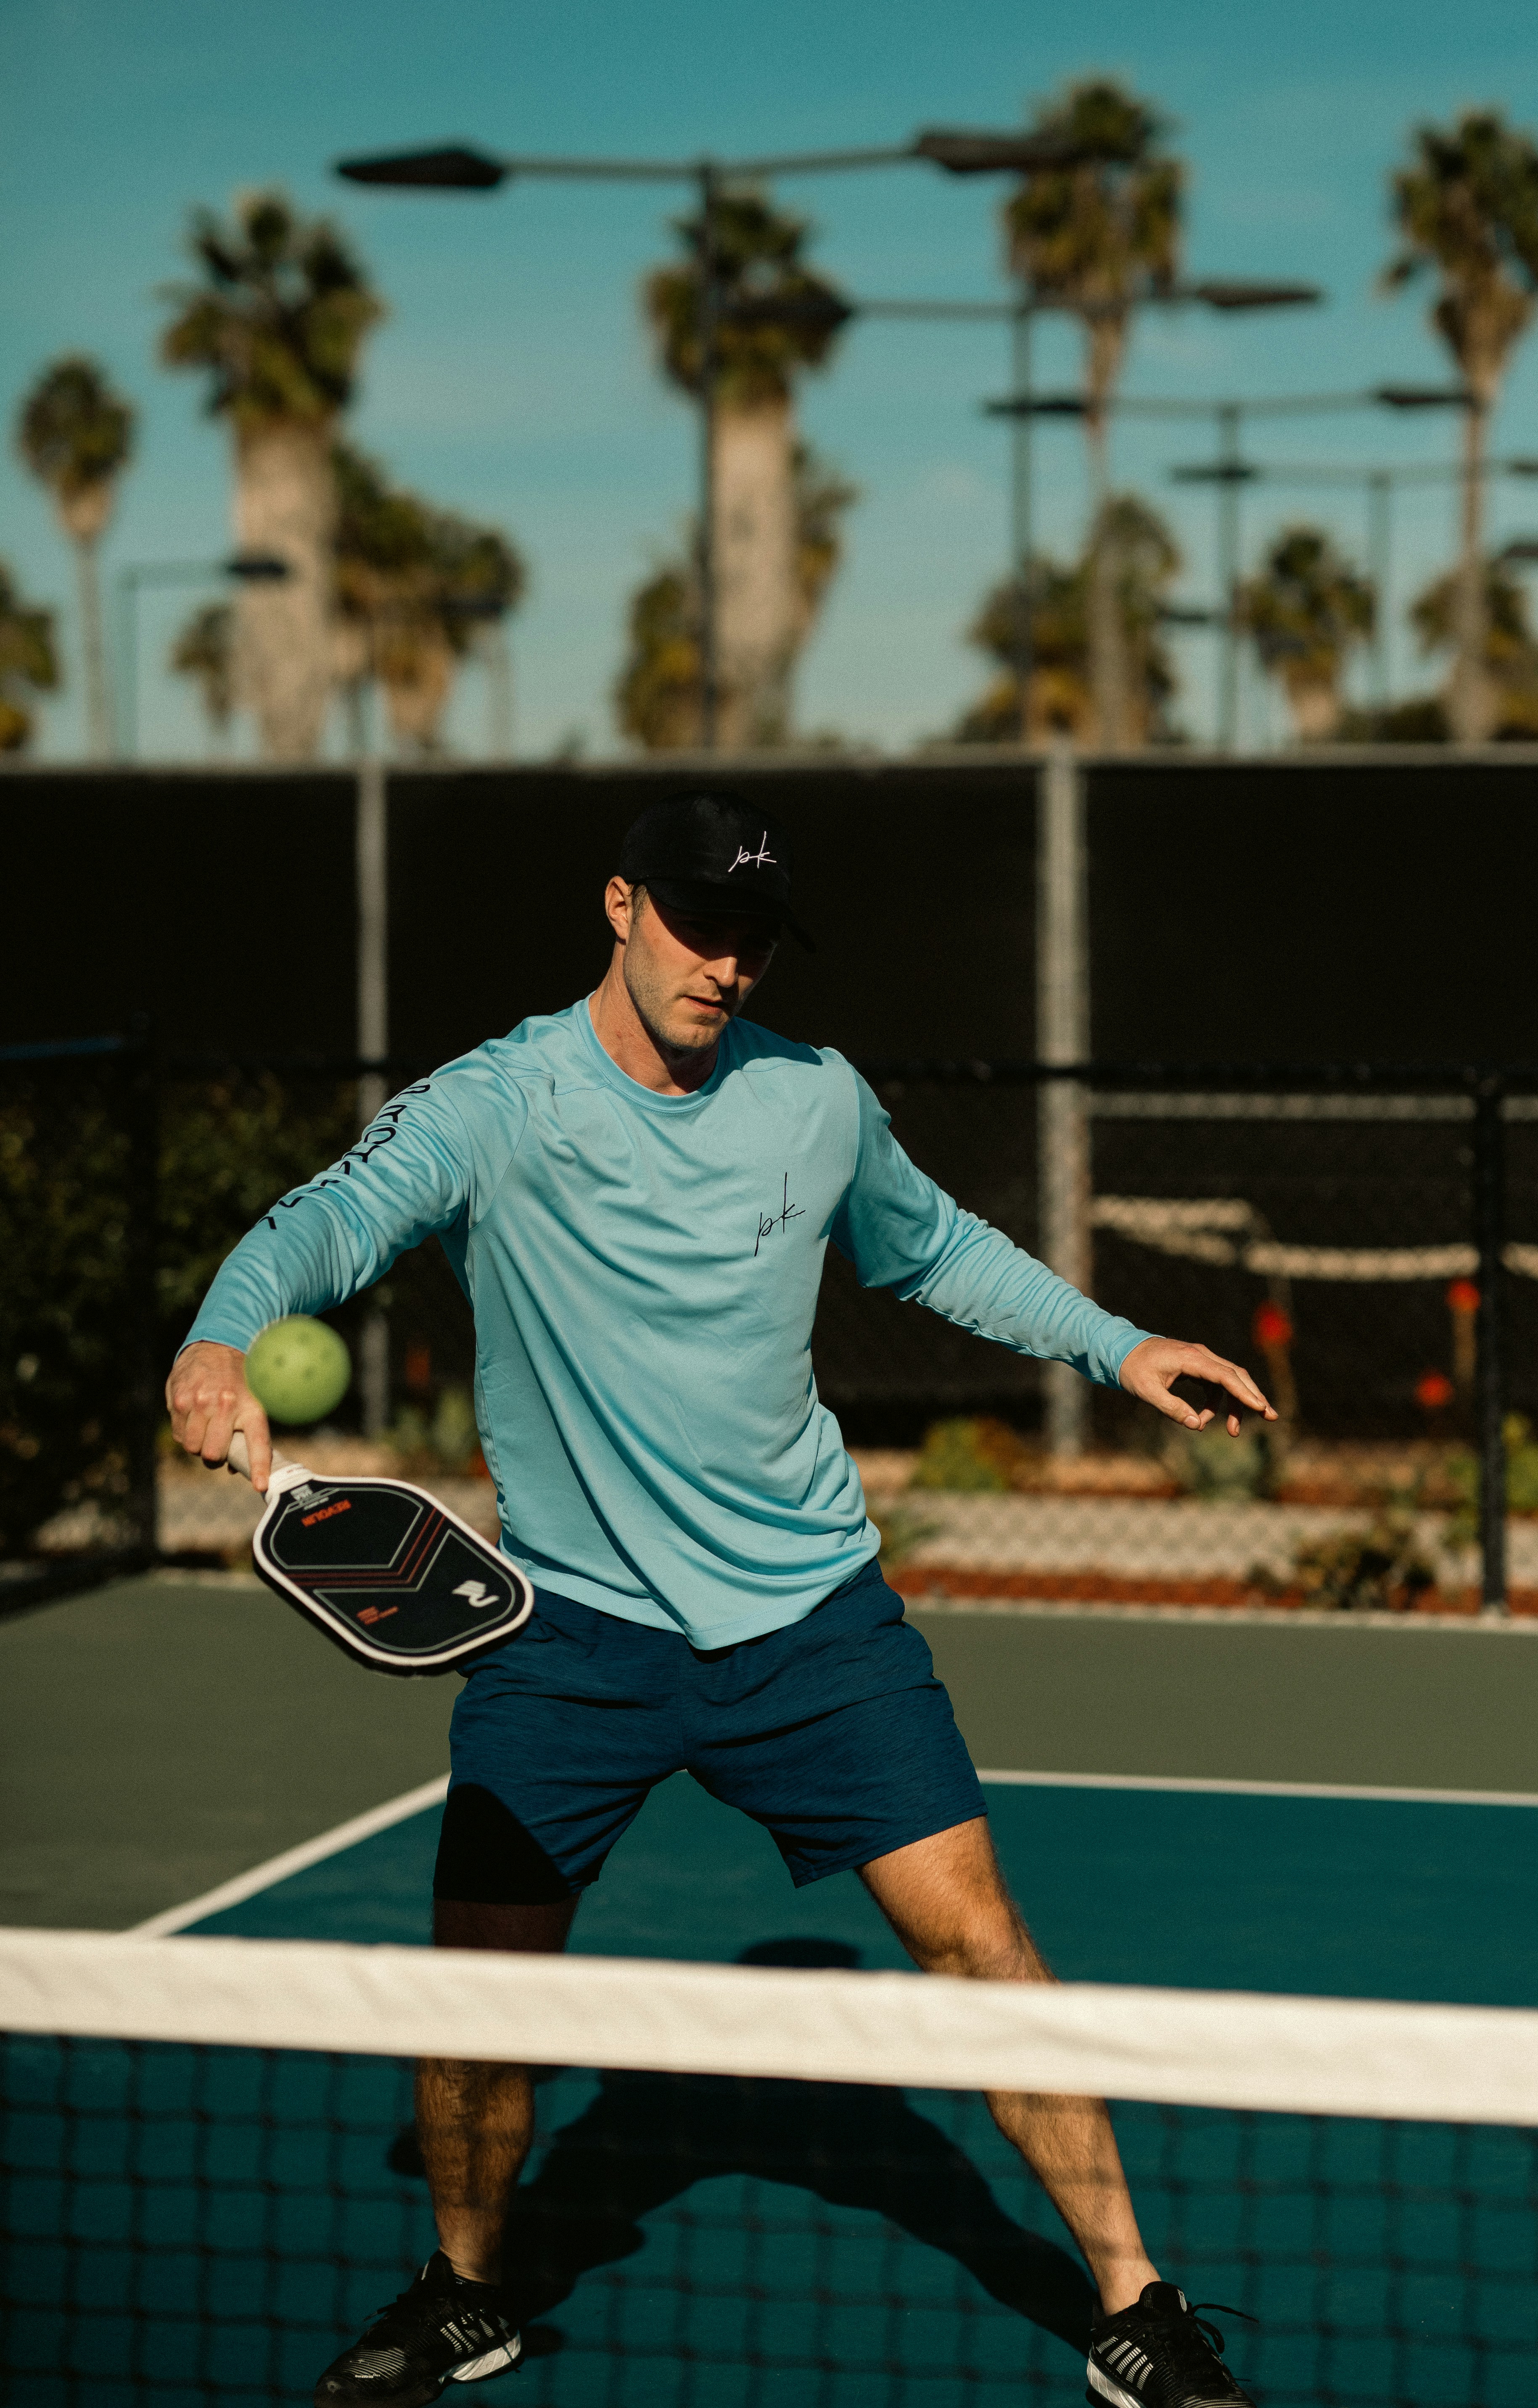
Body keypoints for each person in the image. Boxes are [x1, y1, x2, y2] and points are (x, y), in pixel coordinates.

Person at [166, 790, 1274, 2408]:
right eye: (697, 921)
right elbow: (325, 1217)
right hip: (563, 1638)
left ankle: (1137, 2302)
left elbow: (935, 1247)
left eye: (753, 937)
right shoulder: (499, 1102)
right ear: (616, 903)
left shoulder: (815, 1100)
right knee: (479, 1989)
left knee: (981, 1942)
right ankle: (465, 2286)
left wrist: (1119, 1344)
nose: (726, 962)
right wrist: (216, 1336)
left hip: (811, 1621)